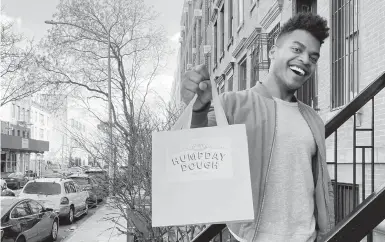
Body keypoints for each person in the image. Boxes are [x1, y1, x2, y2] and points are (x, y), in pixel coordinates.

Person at [180, 12, 335, 242]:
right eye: (296, 49)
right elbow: (194, 150)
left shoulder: (313, 118)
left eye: (313, 57)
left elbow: (316, 182)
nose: (305, 60)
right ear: (273, 51)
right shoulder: (231, 104)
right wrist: (197, 108)